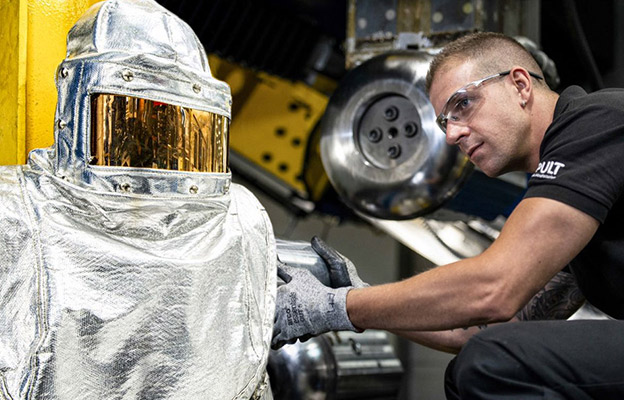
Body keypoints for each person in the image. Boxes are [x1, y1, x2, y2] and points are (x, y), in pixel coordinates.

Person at [272, 32, 624, 399]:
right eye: (444, 122)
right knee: (483, 360)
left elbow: (494, 289)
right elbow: (479, 326)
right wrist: (356, 295)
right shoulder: (574, 206)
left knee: (490, 364)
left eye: (463, 104)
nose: (453, 134)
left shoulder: (597, 122)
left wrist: (337, 306)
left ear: (520, 85)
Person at [0, 0, 275, 398]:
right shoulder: (15, 212)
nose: (156, 148)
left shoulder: (242, 220)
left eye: (178, 127)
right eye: (130, 120)